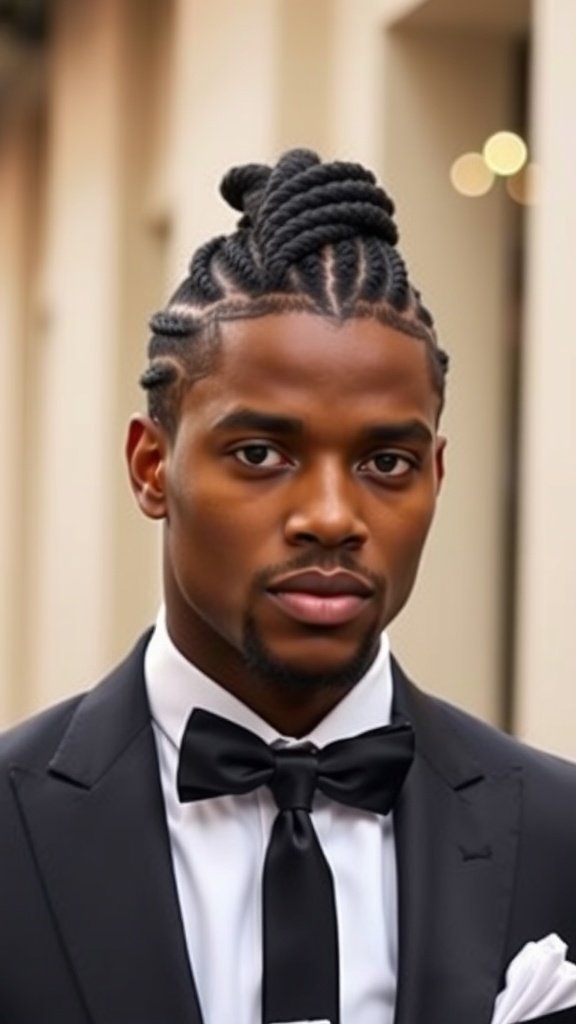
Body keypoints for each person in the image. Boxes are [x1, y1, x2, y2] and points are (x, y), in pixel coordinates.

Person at [1, 148, 576, 1024]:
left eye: (388, 461)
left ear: (437, 477)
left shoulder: (559, 836)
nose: (332, 517)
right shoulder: (12, 827)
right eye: (262, 454)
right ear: (153, 467)